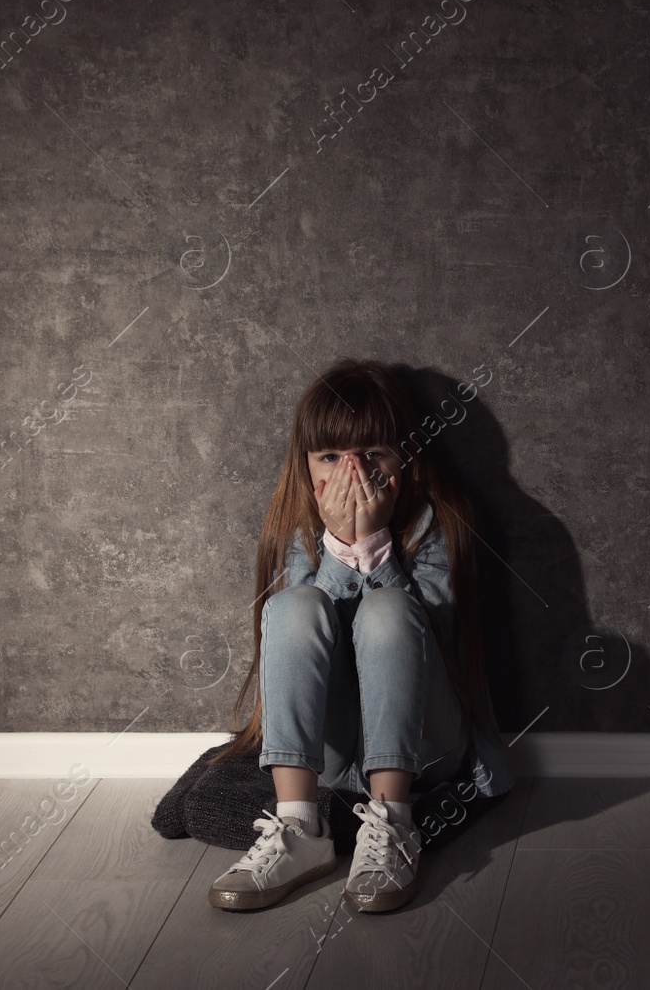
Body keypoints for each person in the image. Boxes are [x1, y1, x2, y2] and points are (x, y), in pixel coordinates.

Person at [205, 360, 512, 913]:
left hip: (424, 743)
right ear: (307, 467)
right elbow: (306, 627)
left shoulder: (438, 523)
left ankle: (394, 825)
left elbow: (432, 644)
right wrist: (340, 548)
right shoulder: (298, 531)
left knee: (391, 608)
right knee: (294, 605)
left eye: (373, 454)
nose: (354, 474)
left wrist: (373, 546)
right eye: (331, 458)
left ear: (405, 459)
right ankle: (300, 829)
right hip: (328, 748)